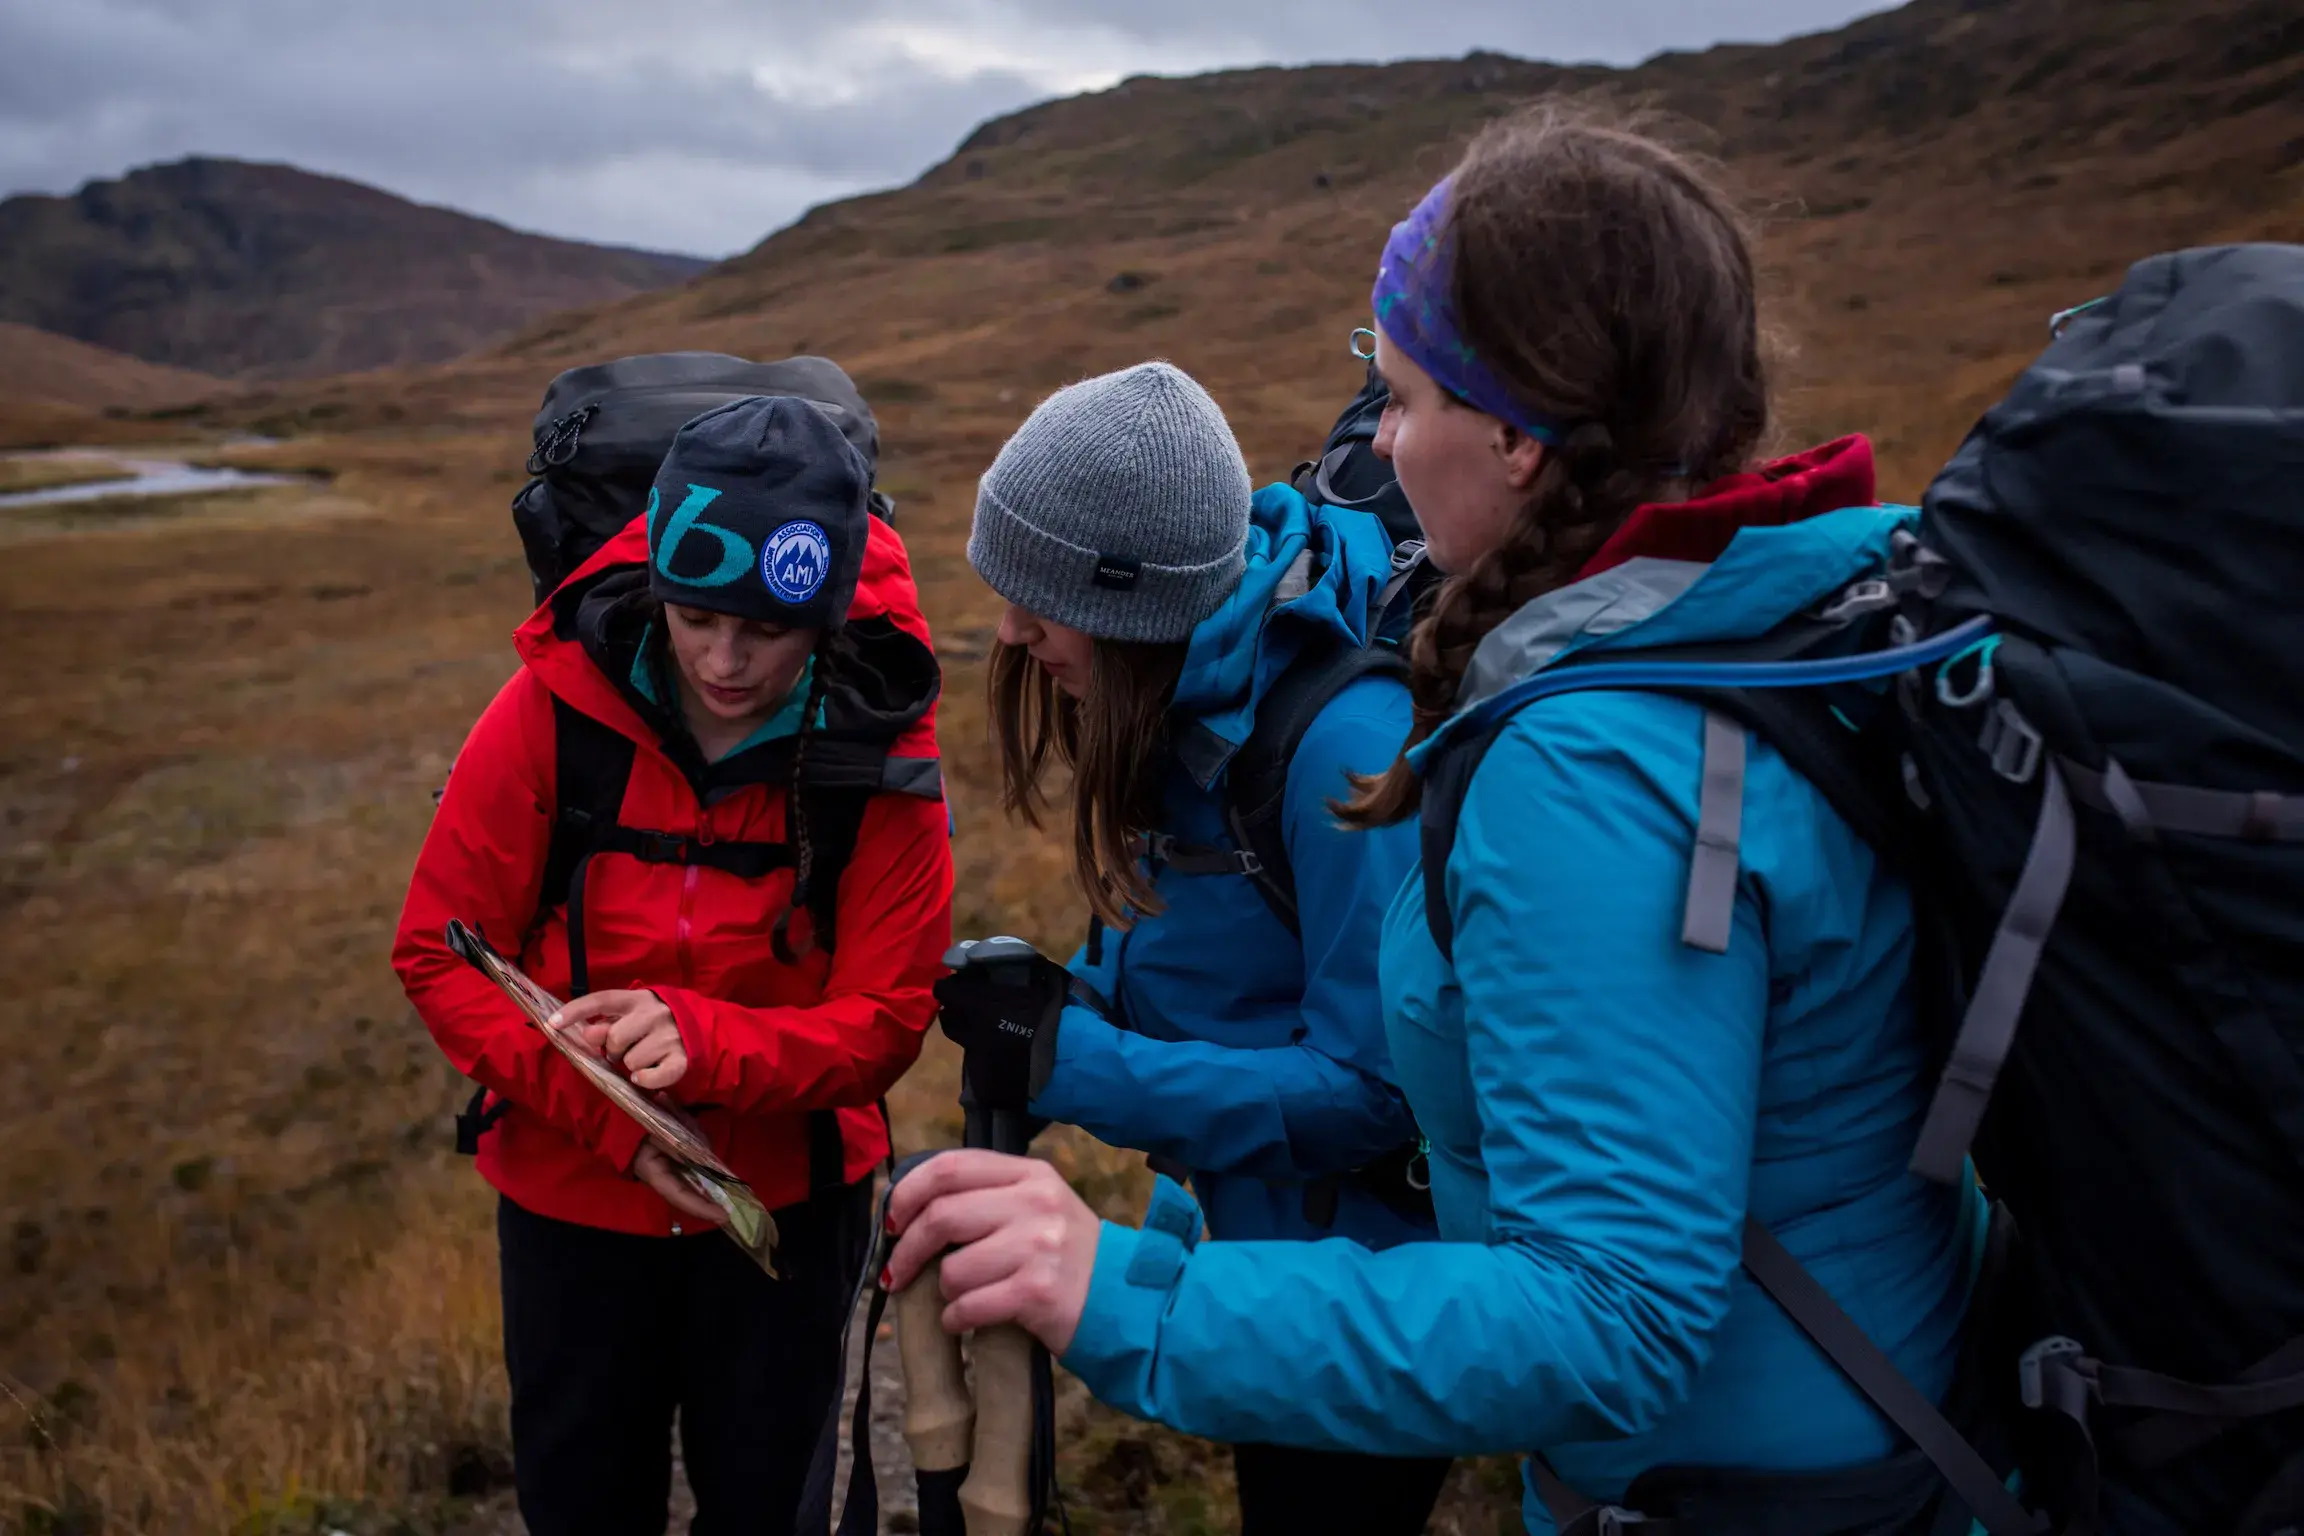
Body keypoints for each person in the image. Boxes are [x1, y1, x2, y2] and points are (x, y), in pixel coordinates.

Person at [884, 111, 1981, 1534]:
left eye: (1399, 401)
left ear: (1519, 439)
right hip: (1871, 1420)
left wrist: (1132, 1292)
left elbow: (1614, 1315)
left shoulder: (1594, 764)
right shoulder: (1790, 628)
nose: (1379, 449)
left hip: (1737, 1487)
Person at [394, 396, 953, 1536]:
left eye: (769, 628)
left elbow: (889, 1020)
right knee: (582, 1500)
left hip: (791, 1210)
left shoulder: (879, 752)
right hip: (569, 1204)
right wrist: (615, 1124)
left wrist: (707, 1042)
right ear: (656, 578)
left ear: (831, 610)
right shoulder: (553, 706)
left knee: (767, 1505)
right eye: (696, 617)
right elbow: (439, 953)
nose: (727, 660)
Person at [962, 359, 1453, 1534]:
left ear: (1139, 604)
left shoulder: (1342, 748)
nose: (1010, 627)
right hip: (1260, 1260)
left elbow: (1380, 1094)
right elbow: (1213, 971)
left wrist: (1070, 1064)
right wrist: (1064, 1001)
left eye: (1042, 596)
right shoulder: (1189, 704)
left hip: (1364, 1293)